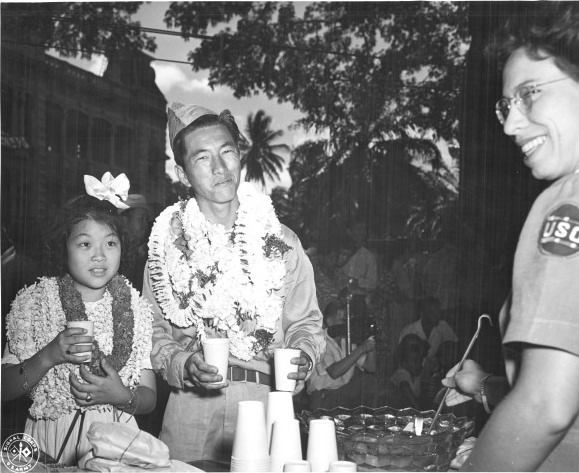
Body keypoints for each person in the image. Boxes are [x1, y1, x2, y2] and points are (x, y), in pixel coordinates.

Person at [144, 103, 326, 463]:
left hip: (268, 404)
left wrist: (303, 355)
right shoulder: (165, 245)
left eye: (227, 152)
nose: (219, 168)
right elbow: (150, 331)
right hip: (192, 408)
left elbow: (306, 323)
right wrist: (182, 362)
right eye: (202, 158)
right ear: (182, 173)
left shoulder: (282, 240)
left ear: (239, 157)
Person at [443, 4, 579, 470]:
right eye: (506, 104)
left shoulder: (568, 201)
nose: (509, 124)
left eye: (530, 94)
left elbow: (547, 407)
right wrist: (485, 385)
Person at [1, 172, 156, 466]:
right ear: (63, 246)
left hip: (117, 443)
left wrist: (120, 395)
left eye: (110, 243)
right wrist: (48, 356)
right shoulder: (35, 303)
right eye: (85, 244)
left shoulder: (136, 308)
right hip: (50, 440)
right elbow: (3, 389)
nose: (99, 255)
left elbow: (149, 398)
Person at [307, 300, 378, 410]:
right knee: (368, 383)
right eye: (343, 321)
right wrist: (361, 349)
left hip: (340, 395)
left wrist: (370, 340)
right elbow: (334, 372)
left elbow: (371, 367)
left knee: (371, 381)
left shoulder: (346, 342)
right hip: (322, 398)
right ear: (329, 321)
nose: (346, 326)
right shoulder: (318, 340)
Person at [389, 334, 427, 409]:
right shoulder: (401, 373)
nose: (419, 364)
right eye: (415, 361)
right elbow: (408, 394)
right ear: (403, 362)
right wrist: (420, 411)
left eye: (421, 360)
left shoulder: (415, 375)